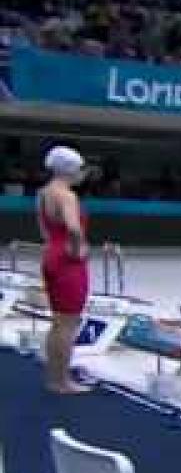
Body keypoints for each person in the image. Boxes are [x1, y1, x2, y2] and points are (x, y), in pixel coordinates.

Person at [37, 146, 92, 394]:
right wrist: (79, 248)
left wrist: (58, 247)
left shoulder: (44, 193)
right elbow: (73, 226)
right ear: (71, 169)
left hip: (51, 254)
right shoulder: (67, 196)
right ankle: (64, 382)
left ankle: (53, 378)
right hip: (68, 260)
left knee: (58, 321)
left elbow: (45, 229)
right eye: (82, 169)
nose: (83, 174)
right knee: (69, 323)